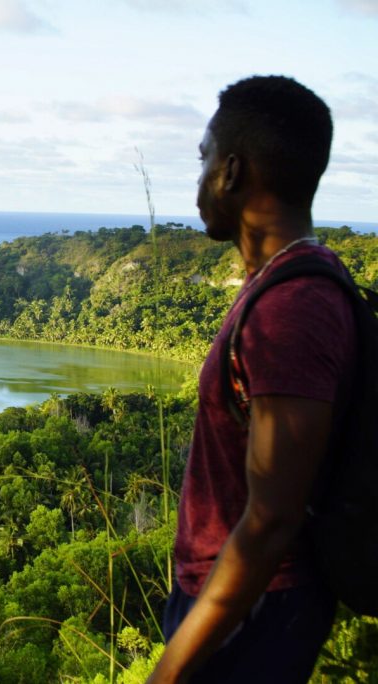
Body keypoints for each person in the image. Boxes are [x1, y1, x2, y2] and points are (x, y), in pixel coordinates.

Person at [147, 76, 356, 683]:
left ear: (232, 171)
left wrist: (173, 669)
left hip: (256, 610)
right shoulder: (283, 284)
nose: (197, 178)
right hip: (241, 603)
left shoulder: (293, 309)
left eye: (203, 158)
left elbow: (271, 520)